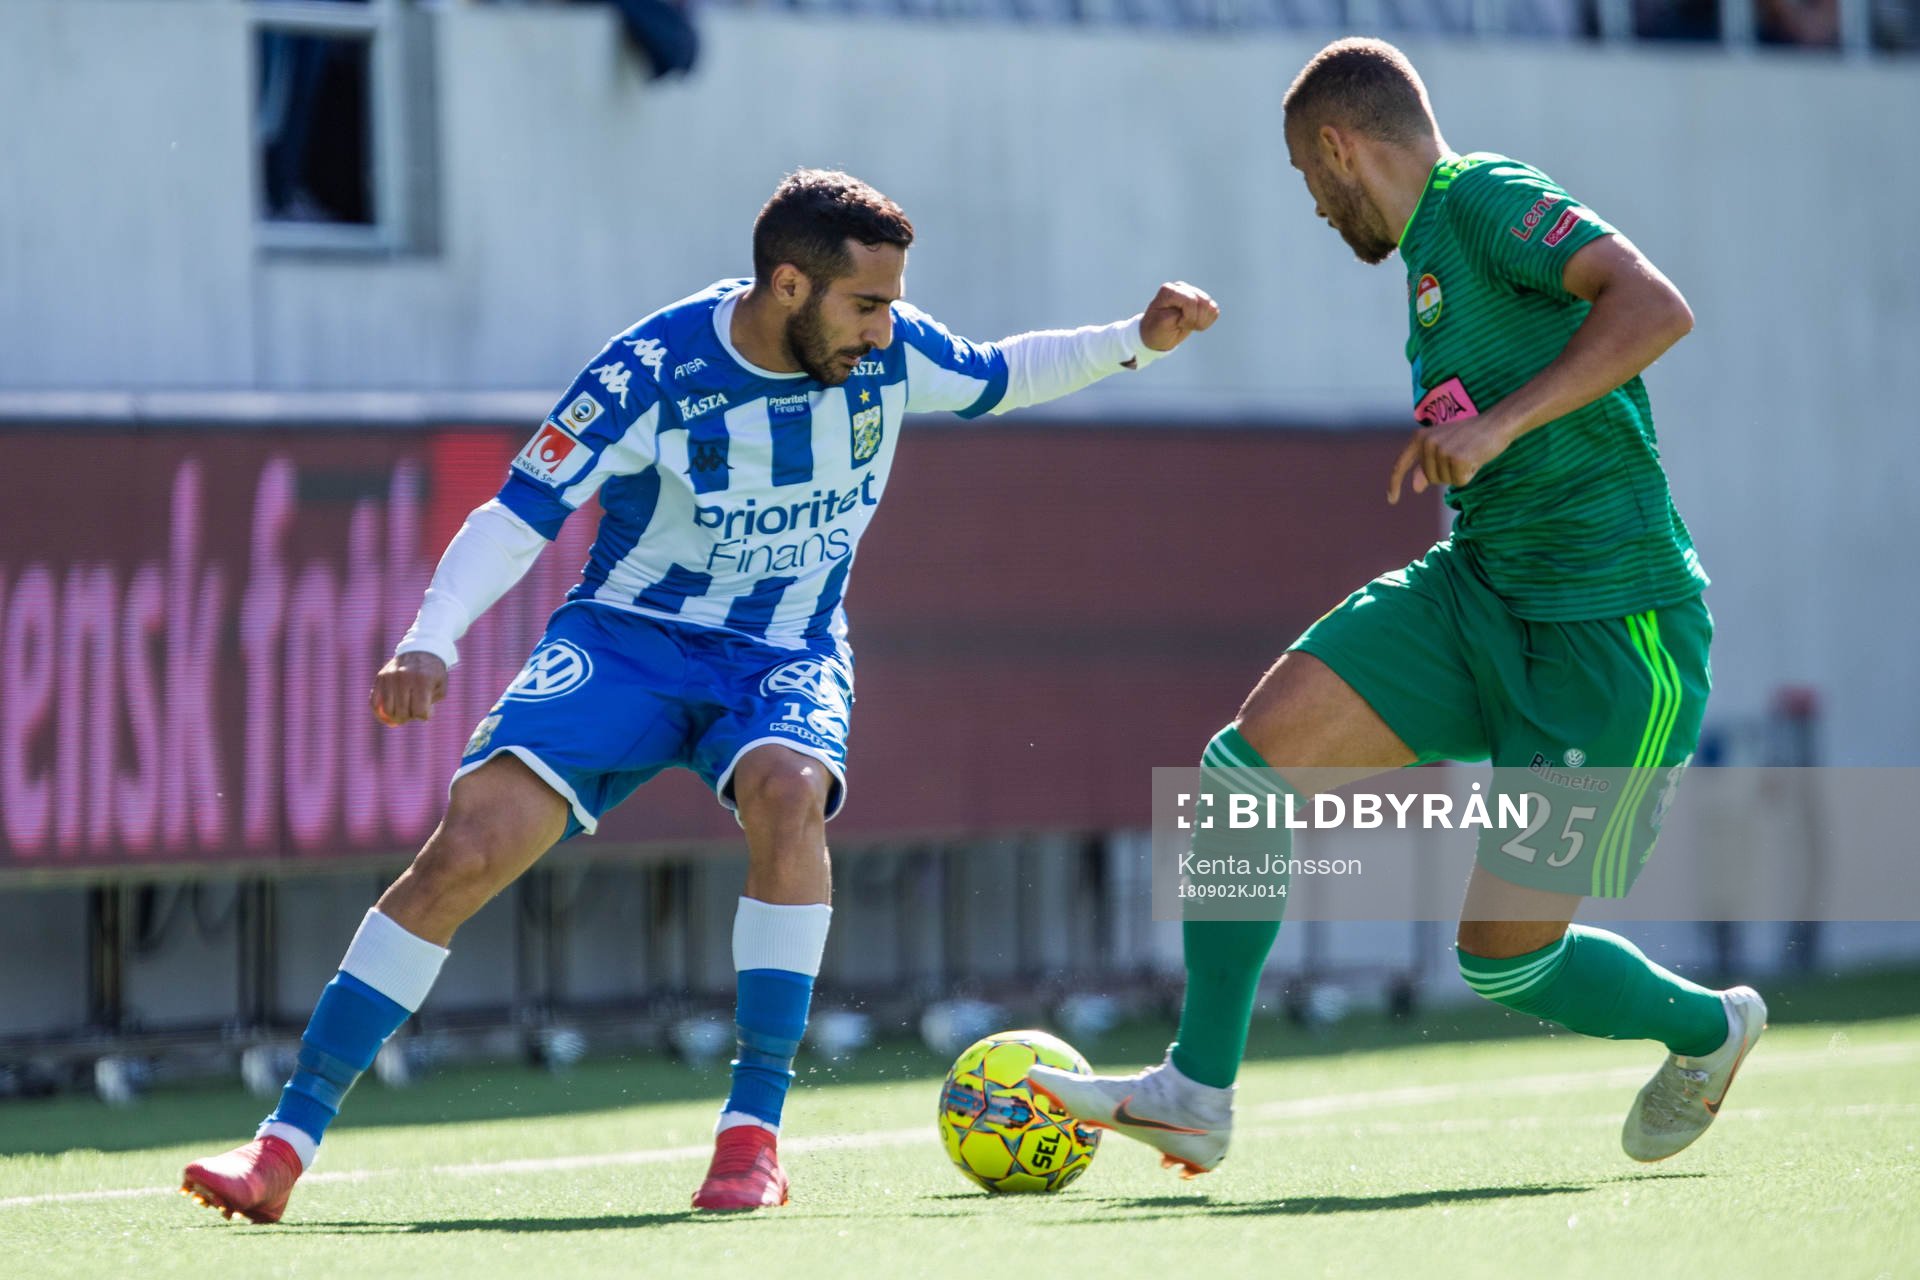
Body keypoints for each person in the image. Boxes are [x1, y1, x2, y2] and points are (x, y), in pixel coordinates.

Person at [180, 169, 1218, 1220]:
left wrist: (1137, 335)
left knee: (786, 788)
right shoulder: (650, 371)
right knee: (469, 844)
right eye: (867, 303)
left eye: (894, 302)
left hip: (783, 653)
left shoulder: (890, 353)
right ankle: (284, 1141)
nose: (886, 326)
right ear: (787, 286)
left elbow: (999, 372)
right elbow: (520, 509)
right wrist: (430, 638)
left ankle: (751, 1132)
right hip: (629, 644)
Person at [1031, 38, 1763, 1178]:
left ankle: (1709, 1029)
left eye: (1306, 180)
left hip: (1611, 633)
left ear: (1336, 147)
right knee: (1242, 773)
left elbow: (1656, 307)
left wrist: (1495, 425)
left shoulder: (1486, 199)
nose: (1315, 208)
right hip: (1479, 593)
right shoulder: (1427, 262)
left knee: (1506, 960)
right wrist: (1467, 438)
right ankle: (1195, 1090)